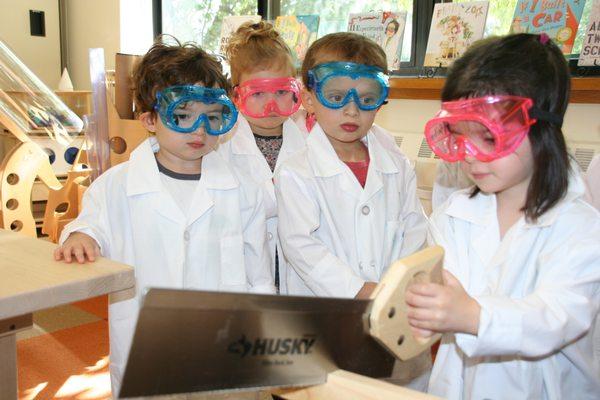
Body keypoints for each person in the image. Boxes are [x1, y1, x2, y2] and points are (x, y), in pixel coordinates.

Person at [54, 38, 274, 394]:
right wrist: (82, 236)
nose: (199, 129)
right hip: (148, 346)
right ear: (150, 119)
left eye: (212, 116)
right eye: (182, 115)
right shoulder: (117, 185)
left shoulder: (243, 189)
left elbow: (258, 266)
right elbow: (90, 223)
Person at [407, 34, 600, 399]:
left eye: (488, 137)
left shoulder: (580, 228)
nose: (470, 155)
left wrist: (472, 315)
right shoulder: (454, 215)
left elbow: (554, 318)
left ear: (542, 128)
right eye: (459, 136)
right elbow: (439, 298)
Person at [274, 32, 430, 389]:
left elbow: (414, 229)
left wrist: (396, 287)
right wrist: (361, 289)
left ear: (381, 100)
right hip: (328, 319)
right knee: (335, 390)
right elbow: (302, 246)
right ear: (309, 99)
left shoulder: (397, 164)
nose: (351, 110)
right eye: (335, 95)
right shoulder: (296, 171)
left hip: (393, 312)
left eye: (366, 98)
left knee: (395, 389)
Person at [220, 21, 307, 293]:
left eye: (281, 92)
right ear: (236, 96)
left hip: (297, 267)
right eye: (258, 93)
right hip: (246, 267)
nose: (272, 105)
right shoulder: (221, 146)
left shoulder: (308, 143)